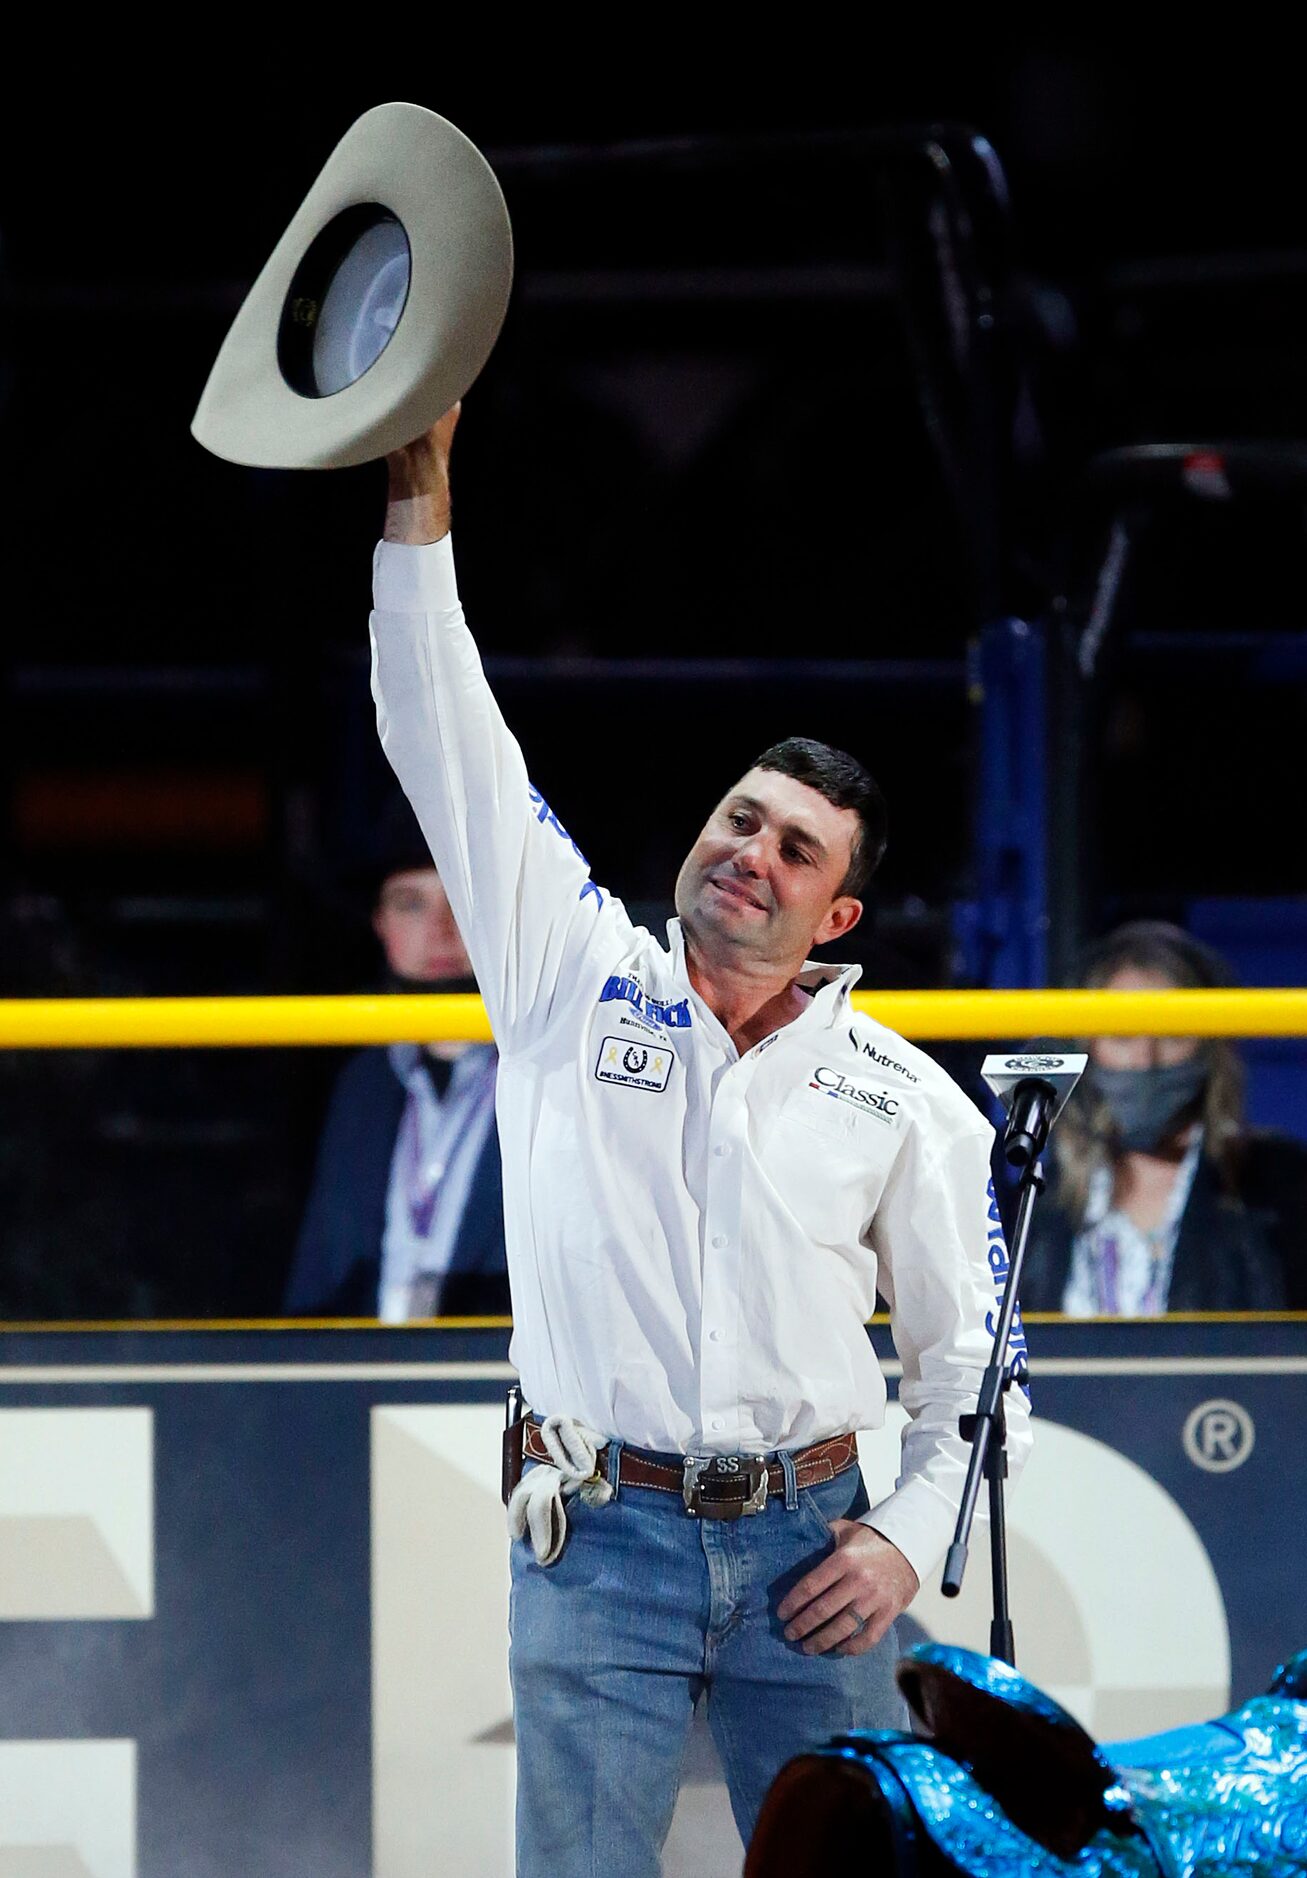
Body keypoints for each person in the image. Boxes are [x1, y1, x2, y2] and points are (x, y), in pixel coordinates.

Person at [366, 404, 1031, 1876]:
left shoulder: (903, 1095)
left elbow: (975, 1371)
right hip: (595, 1536)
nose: (751, 851)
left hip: (817, 1548)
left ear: (835, 918)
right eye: (742, 816)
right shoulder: (564, 968)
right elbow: (441, 734)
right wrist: (420, 500)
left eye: (796, 848)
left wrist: (902, 1542)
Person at [282, 796, 508, 1320]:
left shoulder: (558, 1073)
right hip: (368, 1380)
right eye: (411, 903)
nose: (442, 930)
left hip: (495, 1383)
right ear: (379, 923)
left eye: (463, 900)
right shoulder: (361, 1082)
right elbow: (318, 1274)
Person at [1020, 920, 1305, 1314]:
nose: (1145, 1059)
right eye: (1122, 1035)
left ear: (1210, 1049)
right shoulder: (1030, 1205)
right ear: (1088, 1047)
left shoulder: (1283, 1190)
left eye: (1171, 1035)